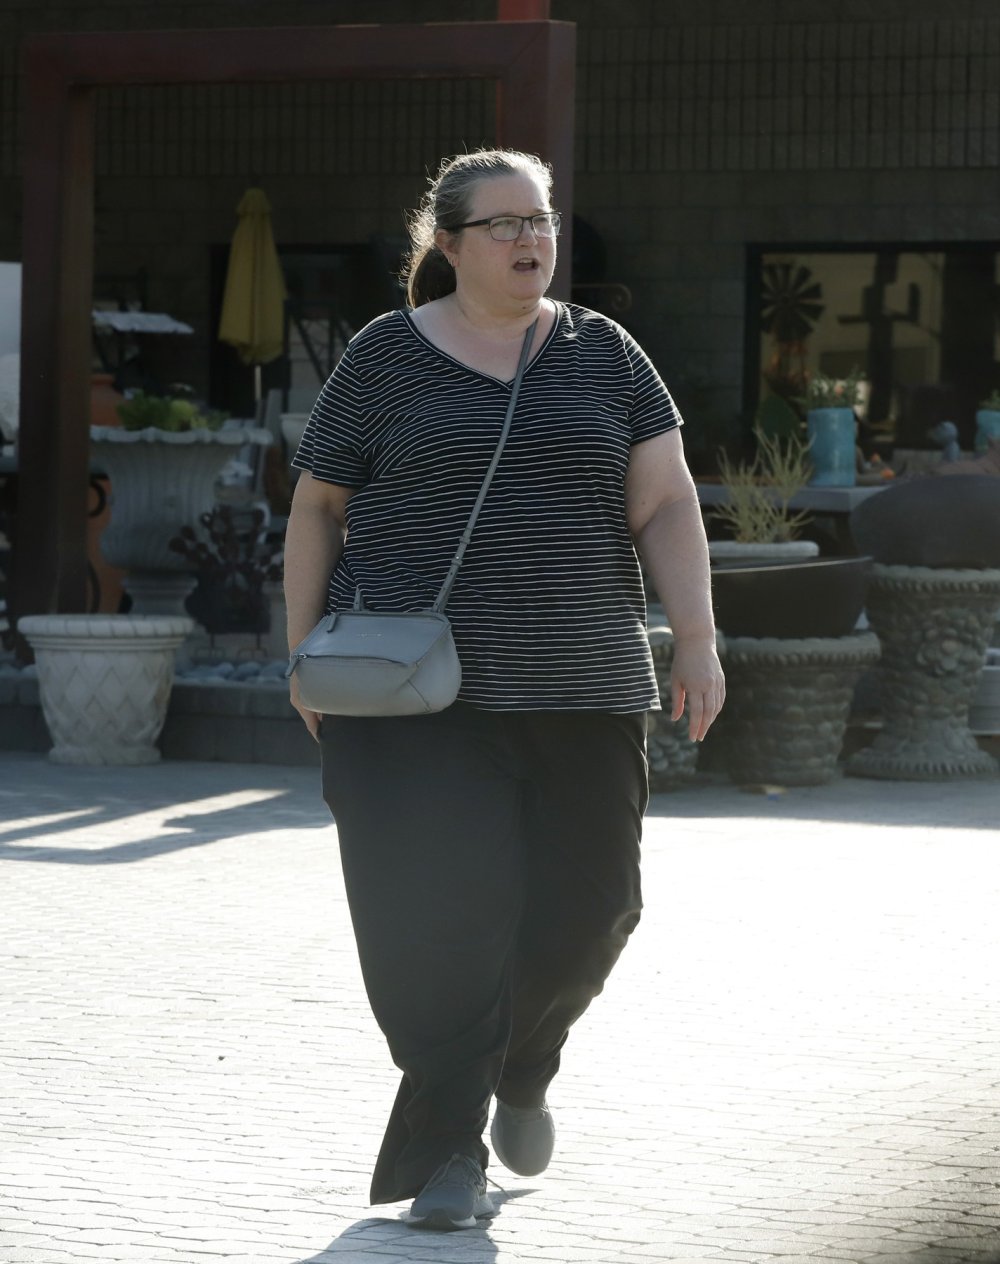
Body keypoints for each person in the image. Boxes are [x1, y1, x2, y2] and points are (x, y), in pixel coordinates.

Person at [283, 148, 725, 1231]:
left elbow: (666, 502)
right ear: (449, 244)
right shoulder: (384, 356)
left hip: (584, 684)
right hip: (413, 699)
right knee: (438, 924)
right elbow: (318, 508)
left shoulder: (605, 353)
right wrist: (300, 652)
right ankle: (448, 1152)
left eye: (542, 219)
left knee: (594, 909)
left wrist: (698, 639)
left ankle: (522, 1065)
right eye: (506, 224)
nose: (532, 239)